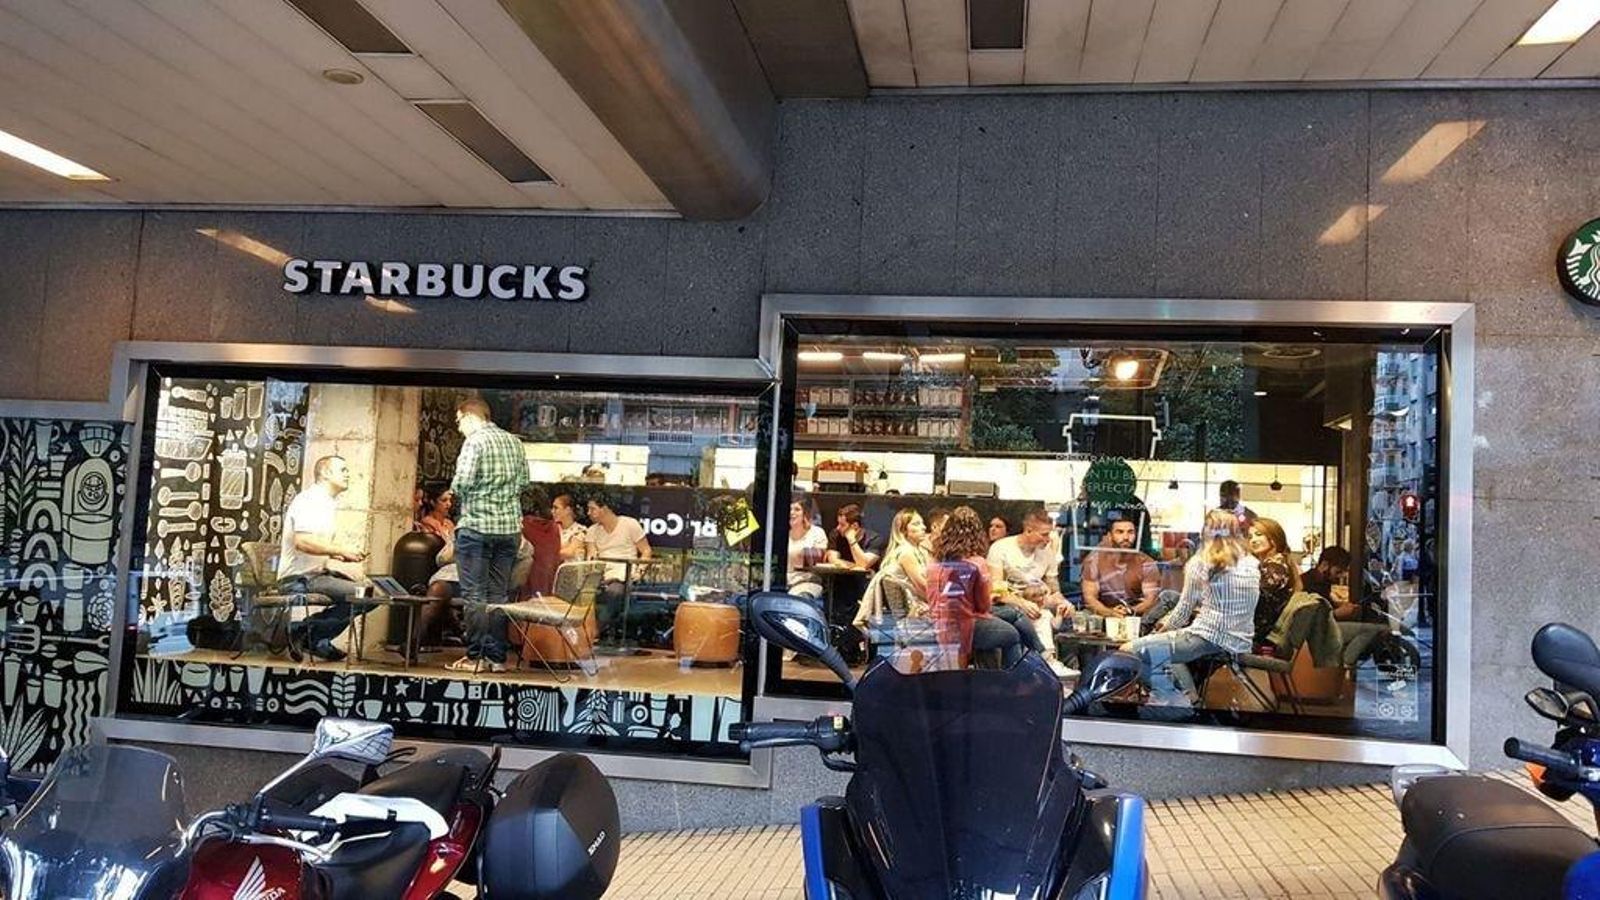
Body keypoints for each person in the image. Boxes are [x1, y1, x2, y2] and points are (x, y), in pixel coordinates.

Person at [1121, 509, 1259, 707]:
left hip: (1206, 637)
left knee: (1128, 650)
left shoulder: (1201, 562)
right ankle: (1189, 699)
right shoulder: (1251, 563)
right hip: (1240, 641)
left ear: (1206, 532)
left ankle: (1176, 699)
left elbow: (1184, 609)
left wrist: (1159, 630)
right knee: (1168, 650)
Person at [448, 397, 527, 673]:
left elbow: (462, 483)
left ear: (468, 416)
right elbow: (524, 482)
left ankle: (475, 657)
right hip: (508, 531)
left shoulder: (475, 442)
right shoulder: (515, 442)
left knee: (474, 596)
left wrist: (458, 491)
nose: (459, 428)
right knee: (498, 596)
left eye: (459, 422)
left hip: (477, 528)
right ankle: (496, 658)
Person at [276, 455, 369, 662]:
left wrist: (336, 553)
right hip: (298, 579)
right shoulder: (310, 500)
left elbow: (311, 544)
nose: (348, 474)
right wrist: (341, 549)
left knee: (368, 591)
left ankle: (314, 636)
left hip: (316, 575)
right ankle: (307, 631)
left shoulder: (325, 503)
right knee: (366, 595)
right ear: (326, 473)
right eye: (343, 469)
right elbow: (303, 542)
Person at [925, 506, 1021, 668]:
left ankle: (991, 679)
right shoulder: (977, 563)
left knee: (1007, 619)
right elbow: (983, 606)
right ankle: (1015, 683)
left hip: (937, 621)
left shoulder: (935, 561)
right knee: (1012, 634)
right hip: (963, 625)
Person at [988, 507, 1076, 678]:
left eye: (1049, 534)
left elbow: (1053, 586)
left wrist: (1063, 603)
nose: (1048, 539)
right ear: (1028, 531)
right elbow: (995, 591)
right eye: (1043, 534)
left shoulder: (1047, 552)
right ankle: (1042, 662)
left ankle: (1066, 678)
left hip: (1037, 602)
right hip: (1008, 604)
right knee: (1027, 616)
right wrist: (1021, 602)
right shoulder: (1001, 548)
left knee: (1068, 619)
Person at [584, 492, 652, 636]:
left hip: (624, 574)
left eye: (592, 508)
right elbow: (591, 554)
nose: (588, 513)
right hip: (602, 575)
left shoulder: (630, 524)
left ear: (605, 508)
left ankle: (596, 631)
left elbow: (646, 551)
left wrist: (640, 571)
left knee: (614, 593)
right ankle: (586, 629)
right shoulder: (592, 531)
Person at [1080, 515, 1162, 622]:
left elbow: (1151, 600)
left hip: (1136, 617)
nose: (1126, 537)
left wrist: (1130, 611)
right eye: (1120, 532)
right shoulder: (1094, 561)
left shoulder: (1146, 563)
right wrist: (1110, 613)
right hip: (1102, 615)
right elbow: (1090, 598)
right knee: (1084, 616)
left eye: (1130, 532)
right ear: (1110, 536)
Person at [1246, 517, 1300, 646]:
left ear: (1273, 538)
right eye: (1250, 536)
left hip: (1258, 636)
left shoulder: (1275, 567)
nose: (1253, 540)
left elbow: (1254, 599)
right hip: (1256, 631)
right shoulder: (1276, 563)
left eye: (1259, 535)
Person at [785, 496, 829, 601]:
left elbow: (818, 558)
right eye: (789, 509)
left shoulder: (817, 533)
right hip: (781, 583)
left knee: (799, 601)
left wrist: (803, 555)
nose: (792, 512)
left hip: (807, 583)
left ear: (805, 513)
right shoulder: (780, 533)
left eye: (797, 509)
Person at [826, 503, 884, 571]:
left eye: (842, 525)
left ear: (855, 526)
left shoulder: (874, 539)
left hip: (864, 580)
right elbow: (833, 559)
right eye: (838, 523)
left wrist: (852, 540)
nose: (838, 528)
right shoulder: (835, 534)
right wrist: (855, 566)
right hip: (840, 577)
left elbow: (864, 564)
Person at [551, 493, 586, 560]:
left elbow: (569, 552)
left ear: (568, 510)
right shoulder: (553, 529)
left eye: (556, 508)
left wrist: (550, 552)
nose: (552, 511)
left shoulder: (580, 530)